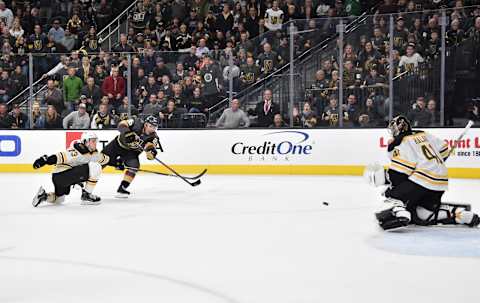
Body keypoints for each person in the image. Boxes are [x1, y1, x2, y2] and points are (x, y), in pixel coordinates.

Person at [364, 115, 479, 230]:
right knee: (423, 214)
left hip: (422, 180)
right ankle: (460, 214)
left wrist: (392, 188)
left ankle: (401, 215)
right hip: (441, 183)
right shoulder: (422, 133)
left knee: (392, 195)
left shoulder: (401, 143)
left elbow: (400, 173)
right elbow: (444, 150)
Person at [32, 132, 109, 207]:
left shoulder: (93, 153)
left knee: (59, 199)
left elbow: (105, 159)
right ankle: (86, 195)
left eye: (96, 141)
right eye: (93, 141)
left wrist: (117, 161)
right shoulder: (76, 151)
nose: (95, 143)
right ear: (86, 142)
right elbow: (59, 157)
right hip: (61, 175)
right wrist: (46, 160)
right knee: (96, 166)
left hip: (60, 177)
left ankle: (43, 196)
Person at [102, 115, 161, 198]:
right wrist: (127, 132)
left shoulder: (154, 137)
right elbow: (121, 124)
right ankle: (87, 179)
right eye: (151, 126)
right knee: (101, 160)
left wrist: (151, 153)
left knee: (134, 166)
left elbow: (149, 151)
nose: (152, 129)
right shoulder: (136, 122)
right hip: (117, 145)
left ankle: (122, 188)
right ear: (145, 125)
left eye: (155, 127)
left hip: (131, 152)